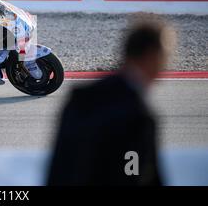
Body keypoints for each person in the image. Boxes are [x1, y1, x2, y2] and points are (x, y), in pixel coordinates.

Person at [47, 21, 175, 186]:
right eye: (165, 56)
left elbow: (60, 164)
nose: (164, 64)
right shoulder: (138, 114)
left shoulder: (80, 95)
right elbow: (134, 172)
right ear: (151, 55)